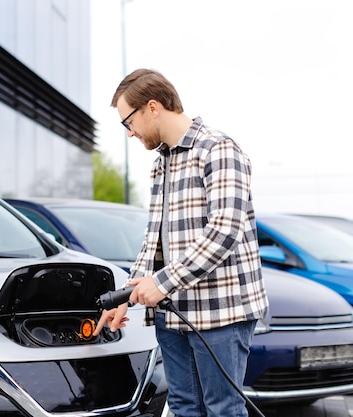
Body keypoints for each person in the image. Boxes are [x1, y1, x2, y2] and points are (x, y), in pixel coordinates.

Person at [93, 68, 269, 417]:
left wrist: (161, 283)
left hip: (221, 311)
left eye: (128, 121)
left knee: (222, 409)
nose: (129, 133)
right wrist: (126, 296)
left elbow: (224, 231)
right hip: (172, 315)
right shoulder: (161, 165)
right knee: (184, 407)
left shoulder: (218, 149)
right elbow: (152, 239)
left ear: (153, 107)